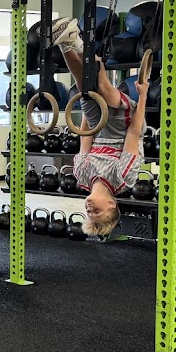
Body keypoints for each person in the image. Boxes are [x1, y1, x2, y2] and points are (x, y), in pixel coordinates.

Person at [53, 17, 149, 237]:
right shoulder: (123, 177)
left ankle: (65, 42)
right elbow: (133, 133)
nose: (89, 209)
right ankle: (78, 44)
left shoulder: (81, 176)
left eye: (88, 213)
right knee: (104, 88)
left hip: (99, 126)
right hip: (124, 124)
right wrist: (142, 95)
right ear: (112, 205)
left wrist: (88, 103)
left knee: (84, 86)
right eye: (96, 212)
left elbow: (85, 137)